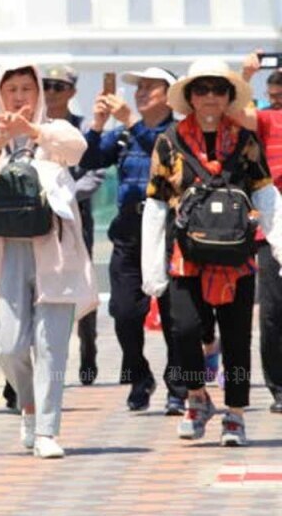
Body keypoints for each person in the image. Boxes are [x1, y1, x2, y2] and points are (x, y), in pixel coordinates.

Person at [0, 62, 96, 459]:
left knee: (52, 343)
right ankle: (28, 402)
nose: (19, 96)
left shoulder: (56, 128)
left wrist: (33, 132)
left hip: (55, 246)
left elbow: (76, 150)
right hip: (6, 247)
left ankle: (48, 429)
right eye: (11, 88)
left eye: (26, 88)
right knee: (10, 343)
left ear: (38, 93)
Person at [142, 59, 282, 446]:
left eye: (218, 90)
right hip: (186, 256)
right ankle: (196, 396)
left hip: (237, 258)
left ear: (228, 97)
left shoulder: (244, 141)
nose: (209, 97)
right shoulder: (169, 140)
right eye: (201, 89)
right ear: (189, 96)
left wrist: (280, 245)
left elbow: (265, 194)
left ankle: (234, 415)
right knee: (184, 331)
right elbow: (155, 204)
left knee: (237, 339)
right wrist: (151, 268)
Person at [80, 67, 187, 414]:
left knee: (175, 316)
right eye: (138, 88)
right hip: (129, 231)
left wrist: (131, 123)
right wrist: (97, 125)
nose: (140, 93)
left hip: (169, 232)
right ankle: (140, 376)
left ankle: (179, 385)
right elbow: (87, 160)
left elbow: (165, 159)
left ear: (169, 94)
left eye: (149, 88)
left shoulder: (181, 131)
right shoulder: (124, 134)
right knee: (124, 312)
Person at [42, 65, 105, 386]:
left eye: (58, 86)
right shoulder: (34, 126)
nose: (51, 92)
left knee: (83, 281)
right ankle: (48, 359)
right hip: (39, 219)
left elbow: (95, 172)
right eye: (46, 85)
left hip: (75, 215)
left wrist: (63, 196)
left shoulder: (83, 128)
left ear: (71, 91)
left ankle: (88, 348)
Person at [239, 52, 282, 413]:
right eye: (274, 82)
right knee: (272, 310)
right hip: (273, 227)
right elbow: (234, 114)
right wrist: (246, 75)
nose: (278, 88)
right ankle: (279, 386)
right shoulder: (264, 118)